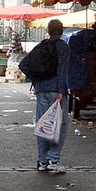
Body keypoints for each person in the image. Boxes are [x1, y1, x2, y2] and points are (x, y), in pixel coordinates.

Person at [32, 19, 70, 174]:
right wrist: (61, 89)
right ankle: (53, 160)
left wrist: (37, 81)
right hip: (57, 91)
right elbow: (62, 69)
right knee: (60, 125)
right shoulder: (63, 47)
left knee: (43, 126)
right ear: (61, 31)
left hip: (42, 90)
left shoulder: (41, 46)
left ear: (48, 31)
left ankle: (42, 161)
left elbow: (24, 65)